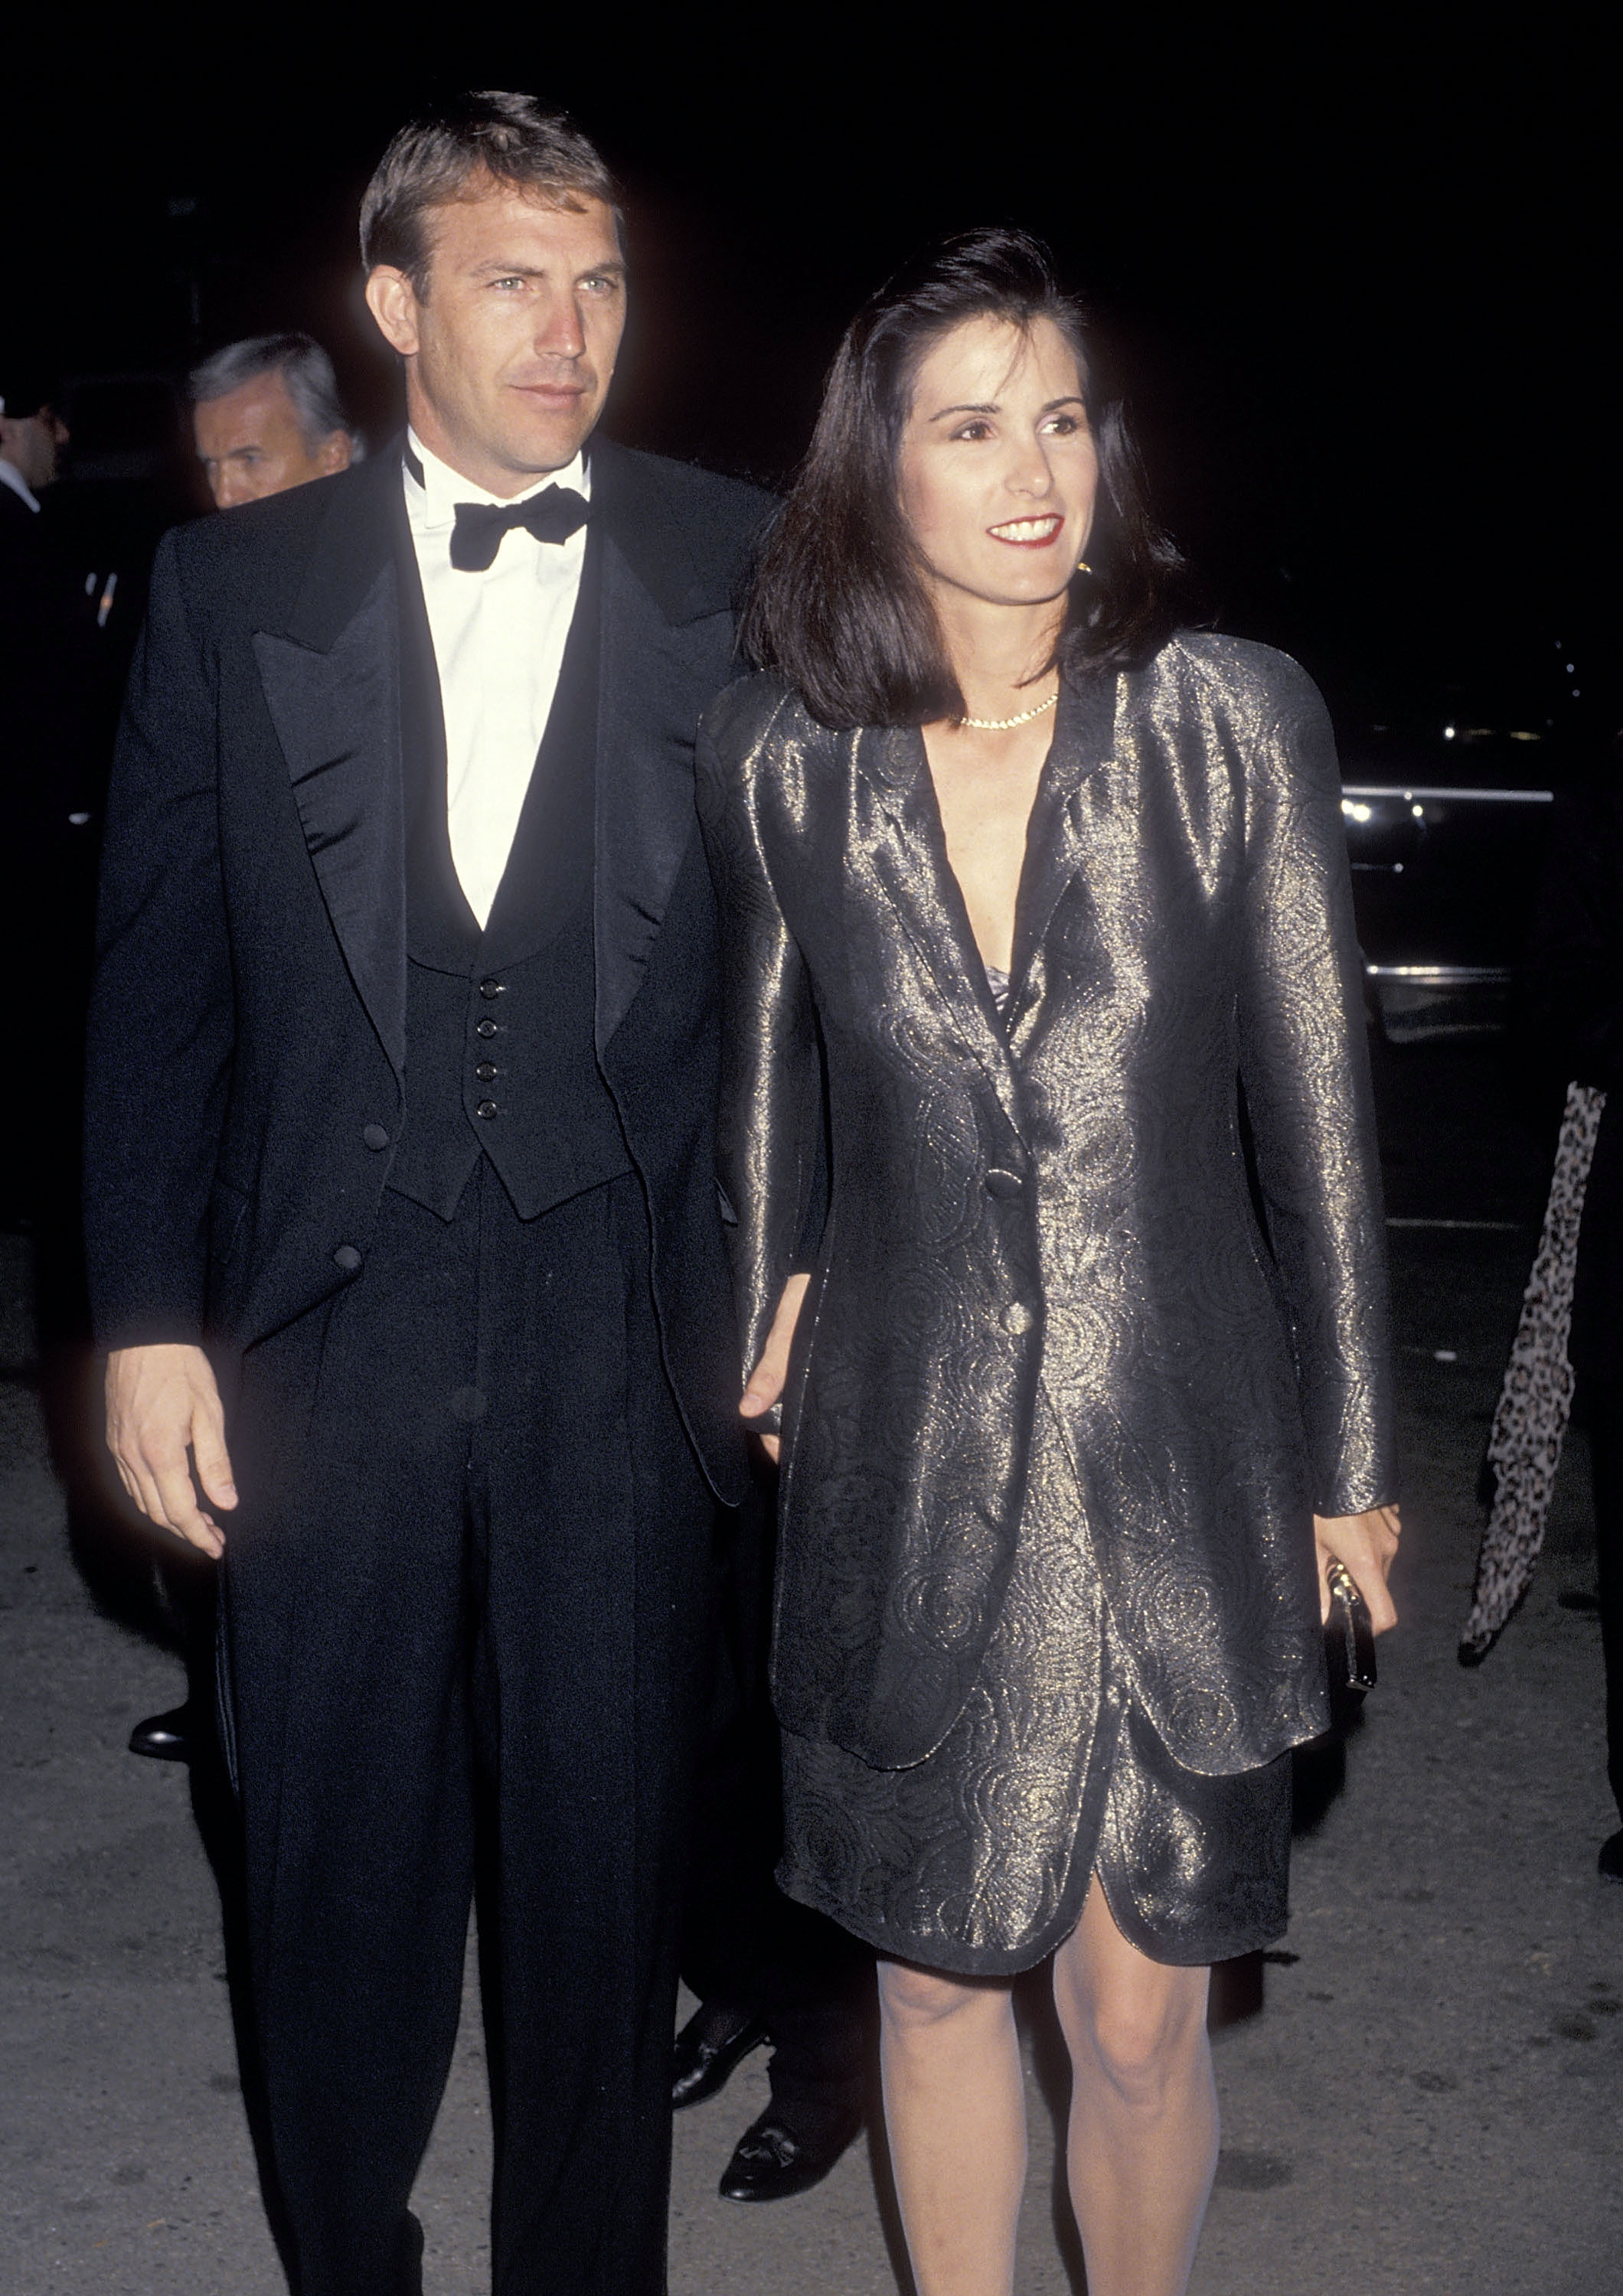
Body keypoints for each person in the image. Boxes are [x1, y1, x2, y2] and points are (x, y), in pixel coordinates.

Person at [84, 93, 772, 2296]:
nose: (569, 329)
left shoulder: (736, 562)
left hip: (623, 1319)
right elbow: (157, 986)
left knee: (602, 1883)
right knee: (328, 1880)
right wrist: (142, 1312)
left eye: (600, 281)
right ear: (396, 305)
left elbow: (822, 980)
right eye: (511, 280)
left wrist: (821, 1257)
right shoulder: (228, 582)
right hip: (322, 1327)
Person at [697, 229, 1401, 2296]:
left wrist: (1352, 1456)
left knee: (1138, 2005)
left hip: (1182, 1446)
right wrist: (770, 1304)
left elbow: (1324, 1129)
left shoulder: (1230, 724)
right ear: (876, 470)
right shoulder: (779, 758)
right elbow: (764, 1082)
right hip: (905, 1458)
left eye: (1067, 418)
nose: (1035, 469)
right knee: (926, 1992)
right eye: (974, 423)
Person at [126, 332, 363, 1769]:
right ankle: (242, 1704)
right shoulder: (201, 611)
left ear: (338, 455)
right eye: (207, 466)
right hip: (253, 1171)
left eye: (252, 460)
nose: (224, 495)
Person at [191, 332, 359, 507]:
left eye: (251, 459)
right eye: (211, 465)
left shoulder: (385, 531)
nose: (224, 498)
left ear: (333, 457)